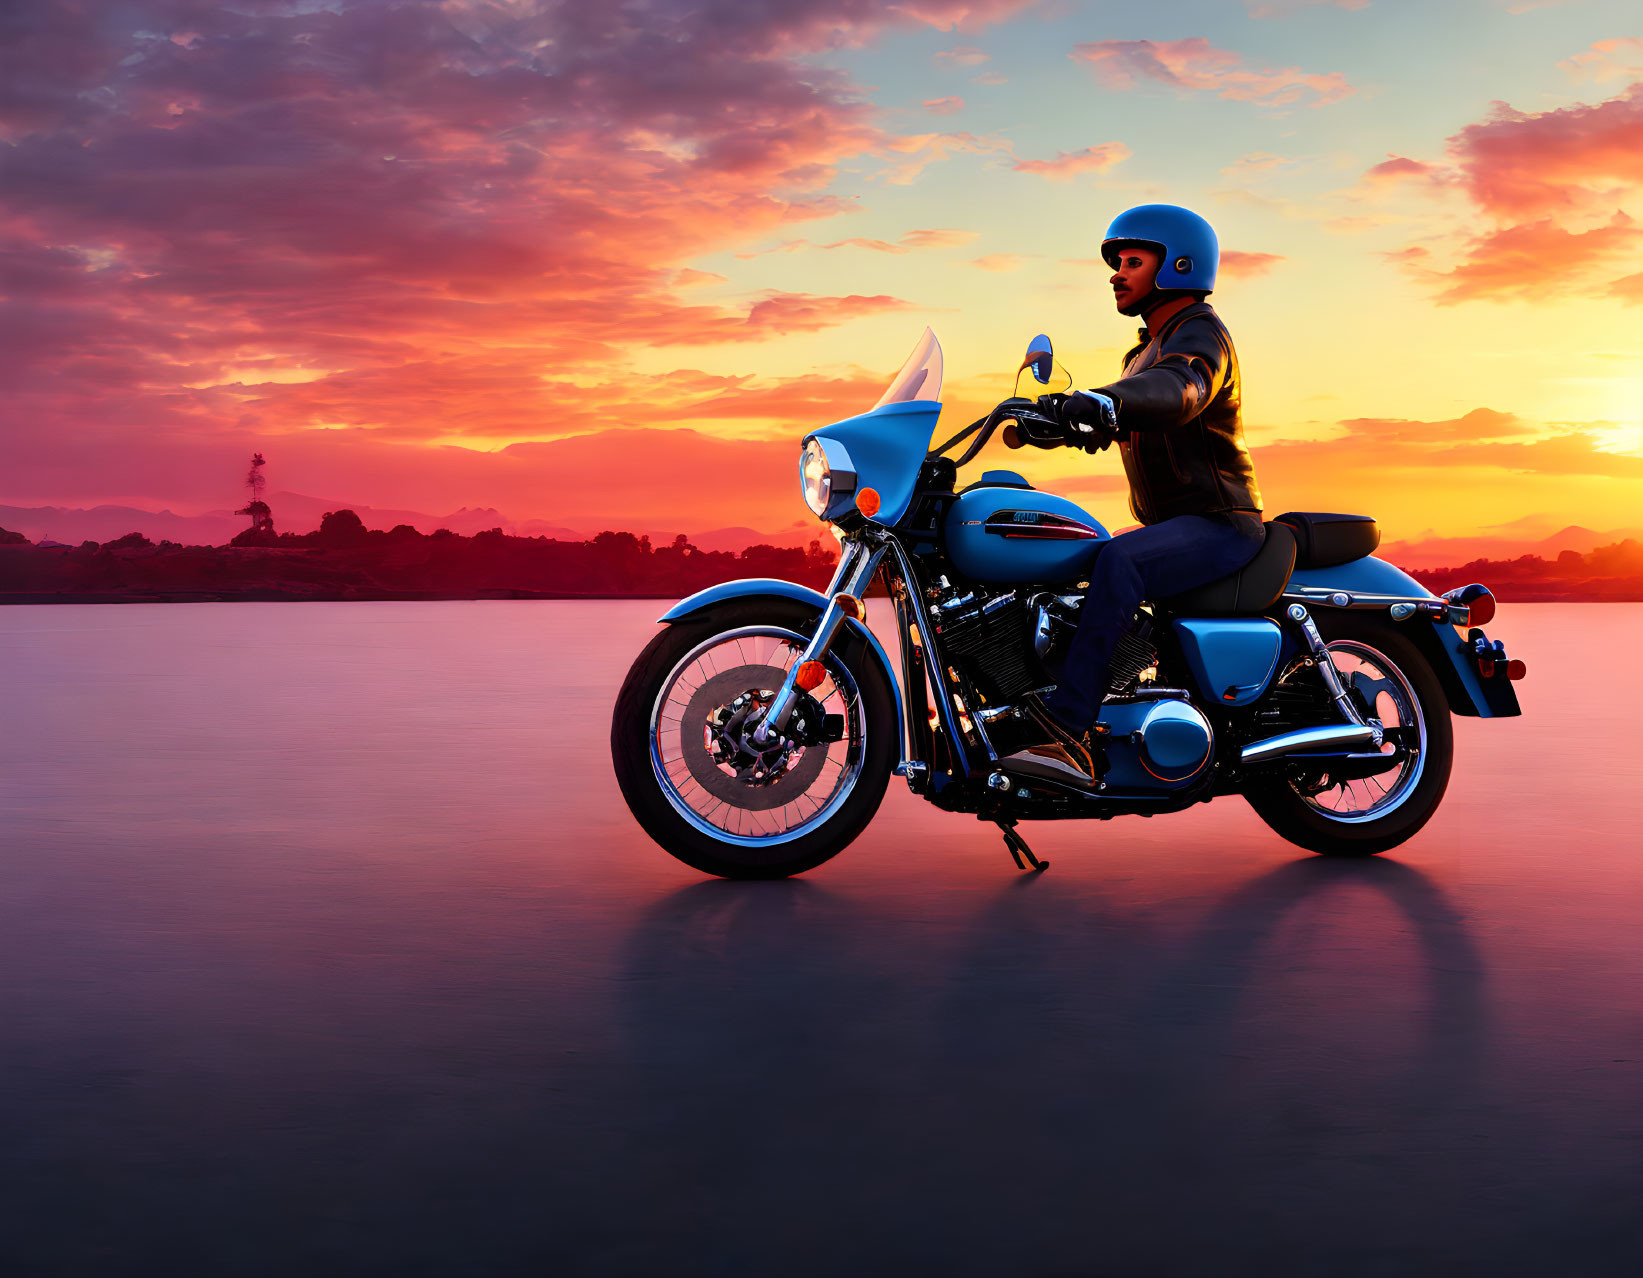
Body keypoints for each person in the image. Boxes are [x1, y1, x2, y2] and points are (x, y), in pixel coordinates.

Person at [1017, 204, 1266, 780]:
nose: (1117, 272)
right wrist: (1050, 424)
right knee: (1070, 557)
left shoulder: (1200, 335)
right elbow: (1122, 414)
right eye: (1118, 263)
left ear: (1178, 265)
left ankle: (1067, 731)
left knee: (1118, 559)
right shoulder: (1142, 351)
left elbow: (1179, 388)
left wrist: (1108, 399)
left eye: (1133, 261)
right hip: (1177, 528)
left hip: (1219, 522)